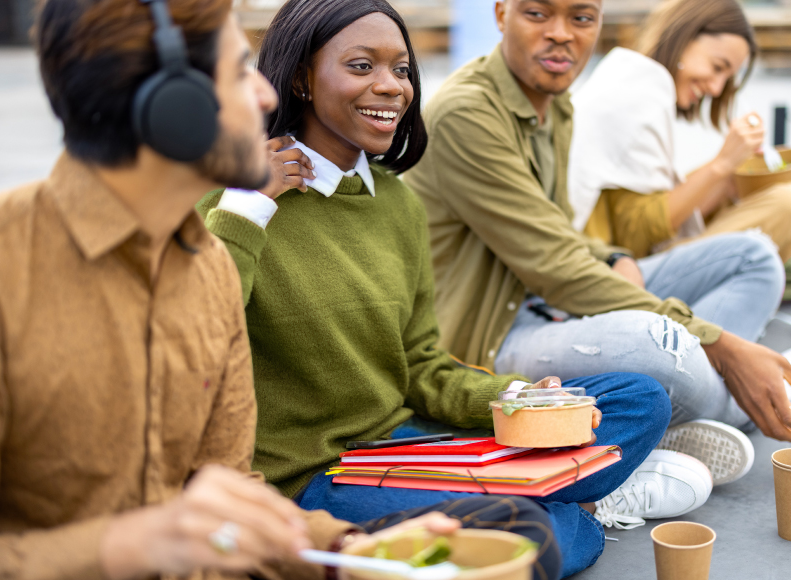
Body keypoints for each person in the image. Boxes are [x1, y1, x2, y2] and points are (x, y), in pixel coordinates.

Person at [0, 1, 564, 578]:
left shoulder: (207, 263)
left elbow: (236, 488)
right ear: (172, 103)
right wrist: (128, 544)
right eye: (240, 71)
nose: (267, 90)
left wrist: (347, 549)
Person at [197, 0, 709, 575]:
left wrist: (515, 397)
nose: (391, 87)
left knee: (636, 399)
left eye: (402, 70)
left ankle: (529, 502)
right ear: (300, 79)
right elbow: (196, 345)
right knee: (533, 533)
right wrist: (246, 207)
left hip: (406, 446)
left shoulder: (395, 202)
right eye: (362, 67)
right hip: (316, 481)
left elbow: (419, 363)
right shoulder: (233, 206)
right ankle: (577, 505)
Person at [403, 0, 791, 472]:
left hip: (549, 297)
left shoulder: (554, 104)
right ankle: (777, 391)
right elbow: (556, 265)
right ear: (501, 15)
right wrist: (718, 340)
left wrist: (612, 255)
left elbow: (554, 225)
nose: (561, 34)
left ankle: (718, 399)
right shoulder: (467, 114)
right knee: (659, 341)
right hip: (493, 335)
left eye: (581, 18)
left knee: (755, 256)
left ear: (598, 24)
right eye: (538, 15)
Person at [568, 0, 791, 307]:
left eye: (726, 77)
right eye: (717, 67)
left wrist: (728, 175)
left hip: (618, 258)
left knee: (741, 182)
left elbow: (634, 211)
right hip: (620, 275)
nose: (715, 88)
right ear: (684, 38)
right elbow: (634, 234)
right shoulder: (636, 97)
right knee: (787, 205)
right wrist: (721, 164)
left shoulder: (630, 79)